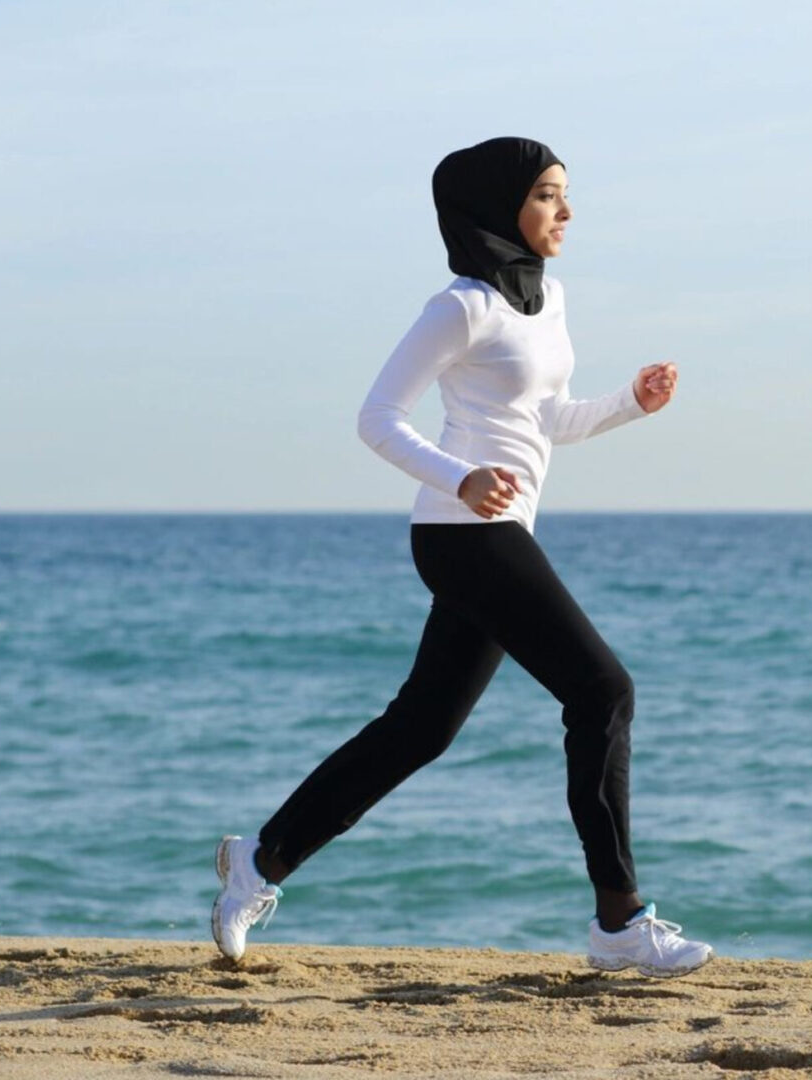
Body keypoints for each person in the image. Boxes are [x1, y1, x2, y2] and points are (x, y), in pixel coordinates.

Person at [210, 136, 712, 978]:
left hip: (498, 534)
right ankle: (619, 923)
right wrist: (461, 475)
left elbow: (545, 420)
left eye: (565, 194)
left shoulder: (545, 299)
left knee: (420, 729)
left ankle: (258, 862)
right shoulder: (461, 307)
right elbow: (377, 417)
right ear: (499, 204)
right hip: (460, 532)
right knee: (603, 689)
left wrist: (631, 403)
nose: (566, 211)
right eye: (548, 194)